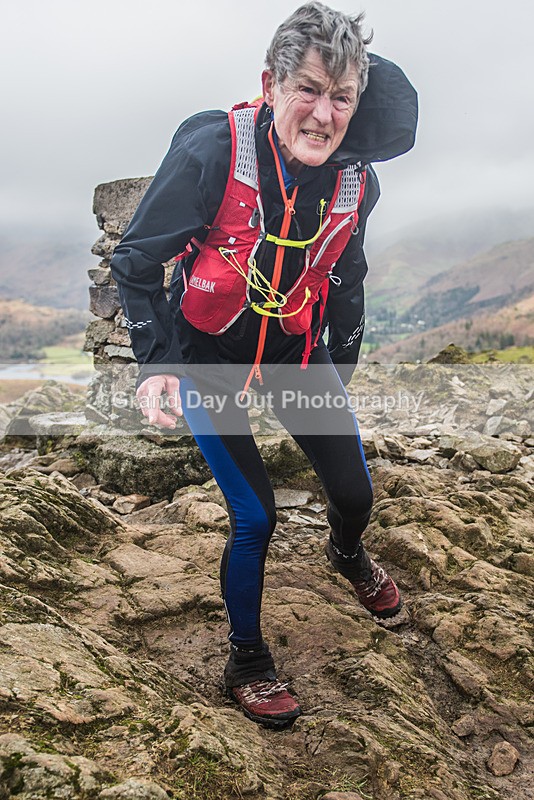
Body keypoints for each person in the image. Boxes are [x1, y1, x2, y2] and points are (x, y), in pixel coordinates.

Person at [110, 1, 418, 728]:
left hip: (292, 355)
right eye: (307, 88)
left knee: (356, 493)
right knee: (257, 516)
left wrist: (337, 377)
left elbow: (347, 277)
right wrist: (156, 364)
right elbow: (134, 261)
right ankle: (246, 659)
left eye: (341, 96)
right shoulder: (214, 155)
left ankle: (347, 555)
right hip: (205, 358)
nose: (322, 113)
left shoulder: (357, 182)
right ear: (271, 85)